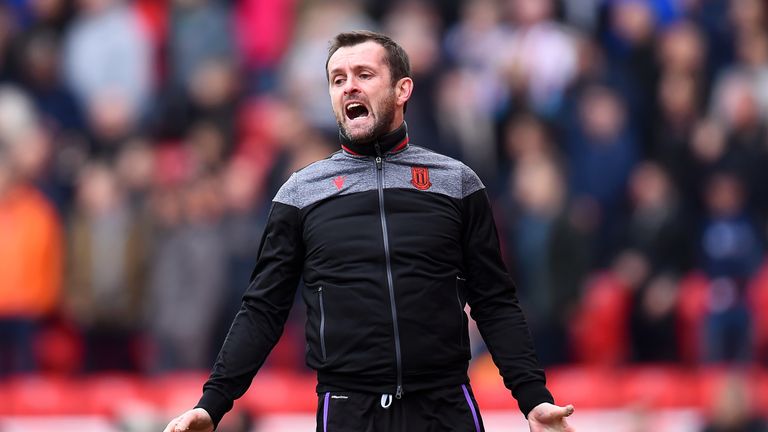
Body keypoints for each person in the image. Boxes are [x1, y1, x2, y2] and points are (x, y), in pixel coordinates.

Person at [164, 30, 575, 432]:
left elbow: (494, 301)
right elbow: (263, 310)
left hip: (444, 405)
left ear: (402, 90)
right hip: (348, 410)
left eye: (364, 74)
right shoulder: (300, 194)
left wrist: (533, 397)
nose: (348, 87)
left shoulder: (457, 183)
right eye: (337, 80)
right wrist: (212, 405)